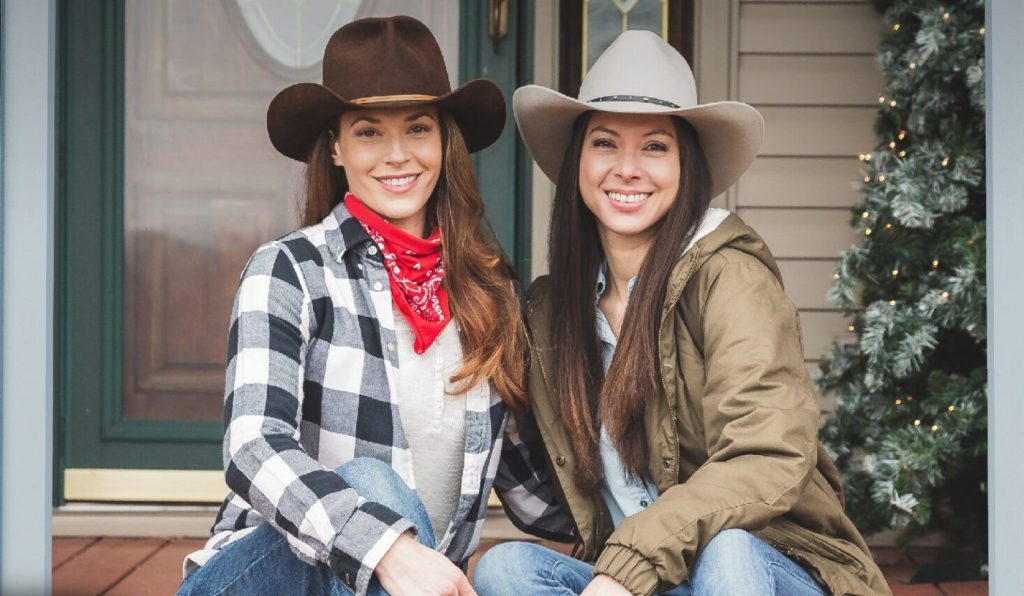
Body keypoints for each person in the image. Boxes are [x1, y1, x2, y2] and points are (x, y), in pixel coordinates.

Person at [473, 31, 892, 596]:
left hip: (770, 565)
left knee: (729, 551)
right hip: (650, 581)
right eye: (604, 143)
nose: (627, 168)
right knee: (507, 569)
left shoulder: (729, 278)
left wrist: (627, 566)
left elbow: (767, 452)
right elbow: (539, 476)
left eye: (653, 146)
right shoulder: (552, 312)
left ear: (684, 165)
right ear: (578, 160)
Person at [177, 16, 552, 596]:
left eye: (419, 128)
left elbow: (536, 496)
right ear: (336, 147)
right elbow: (252, 446)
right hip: (264, 580)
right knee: (373, 486)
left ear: (444, 141)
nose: (397, 155)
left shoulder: (491, 294)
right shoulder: (291, 270)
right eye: (370, 132)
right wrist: (386, 547)